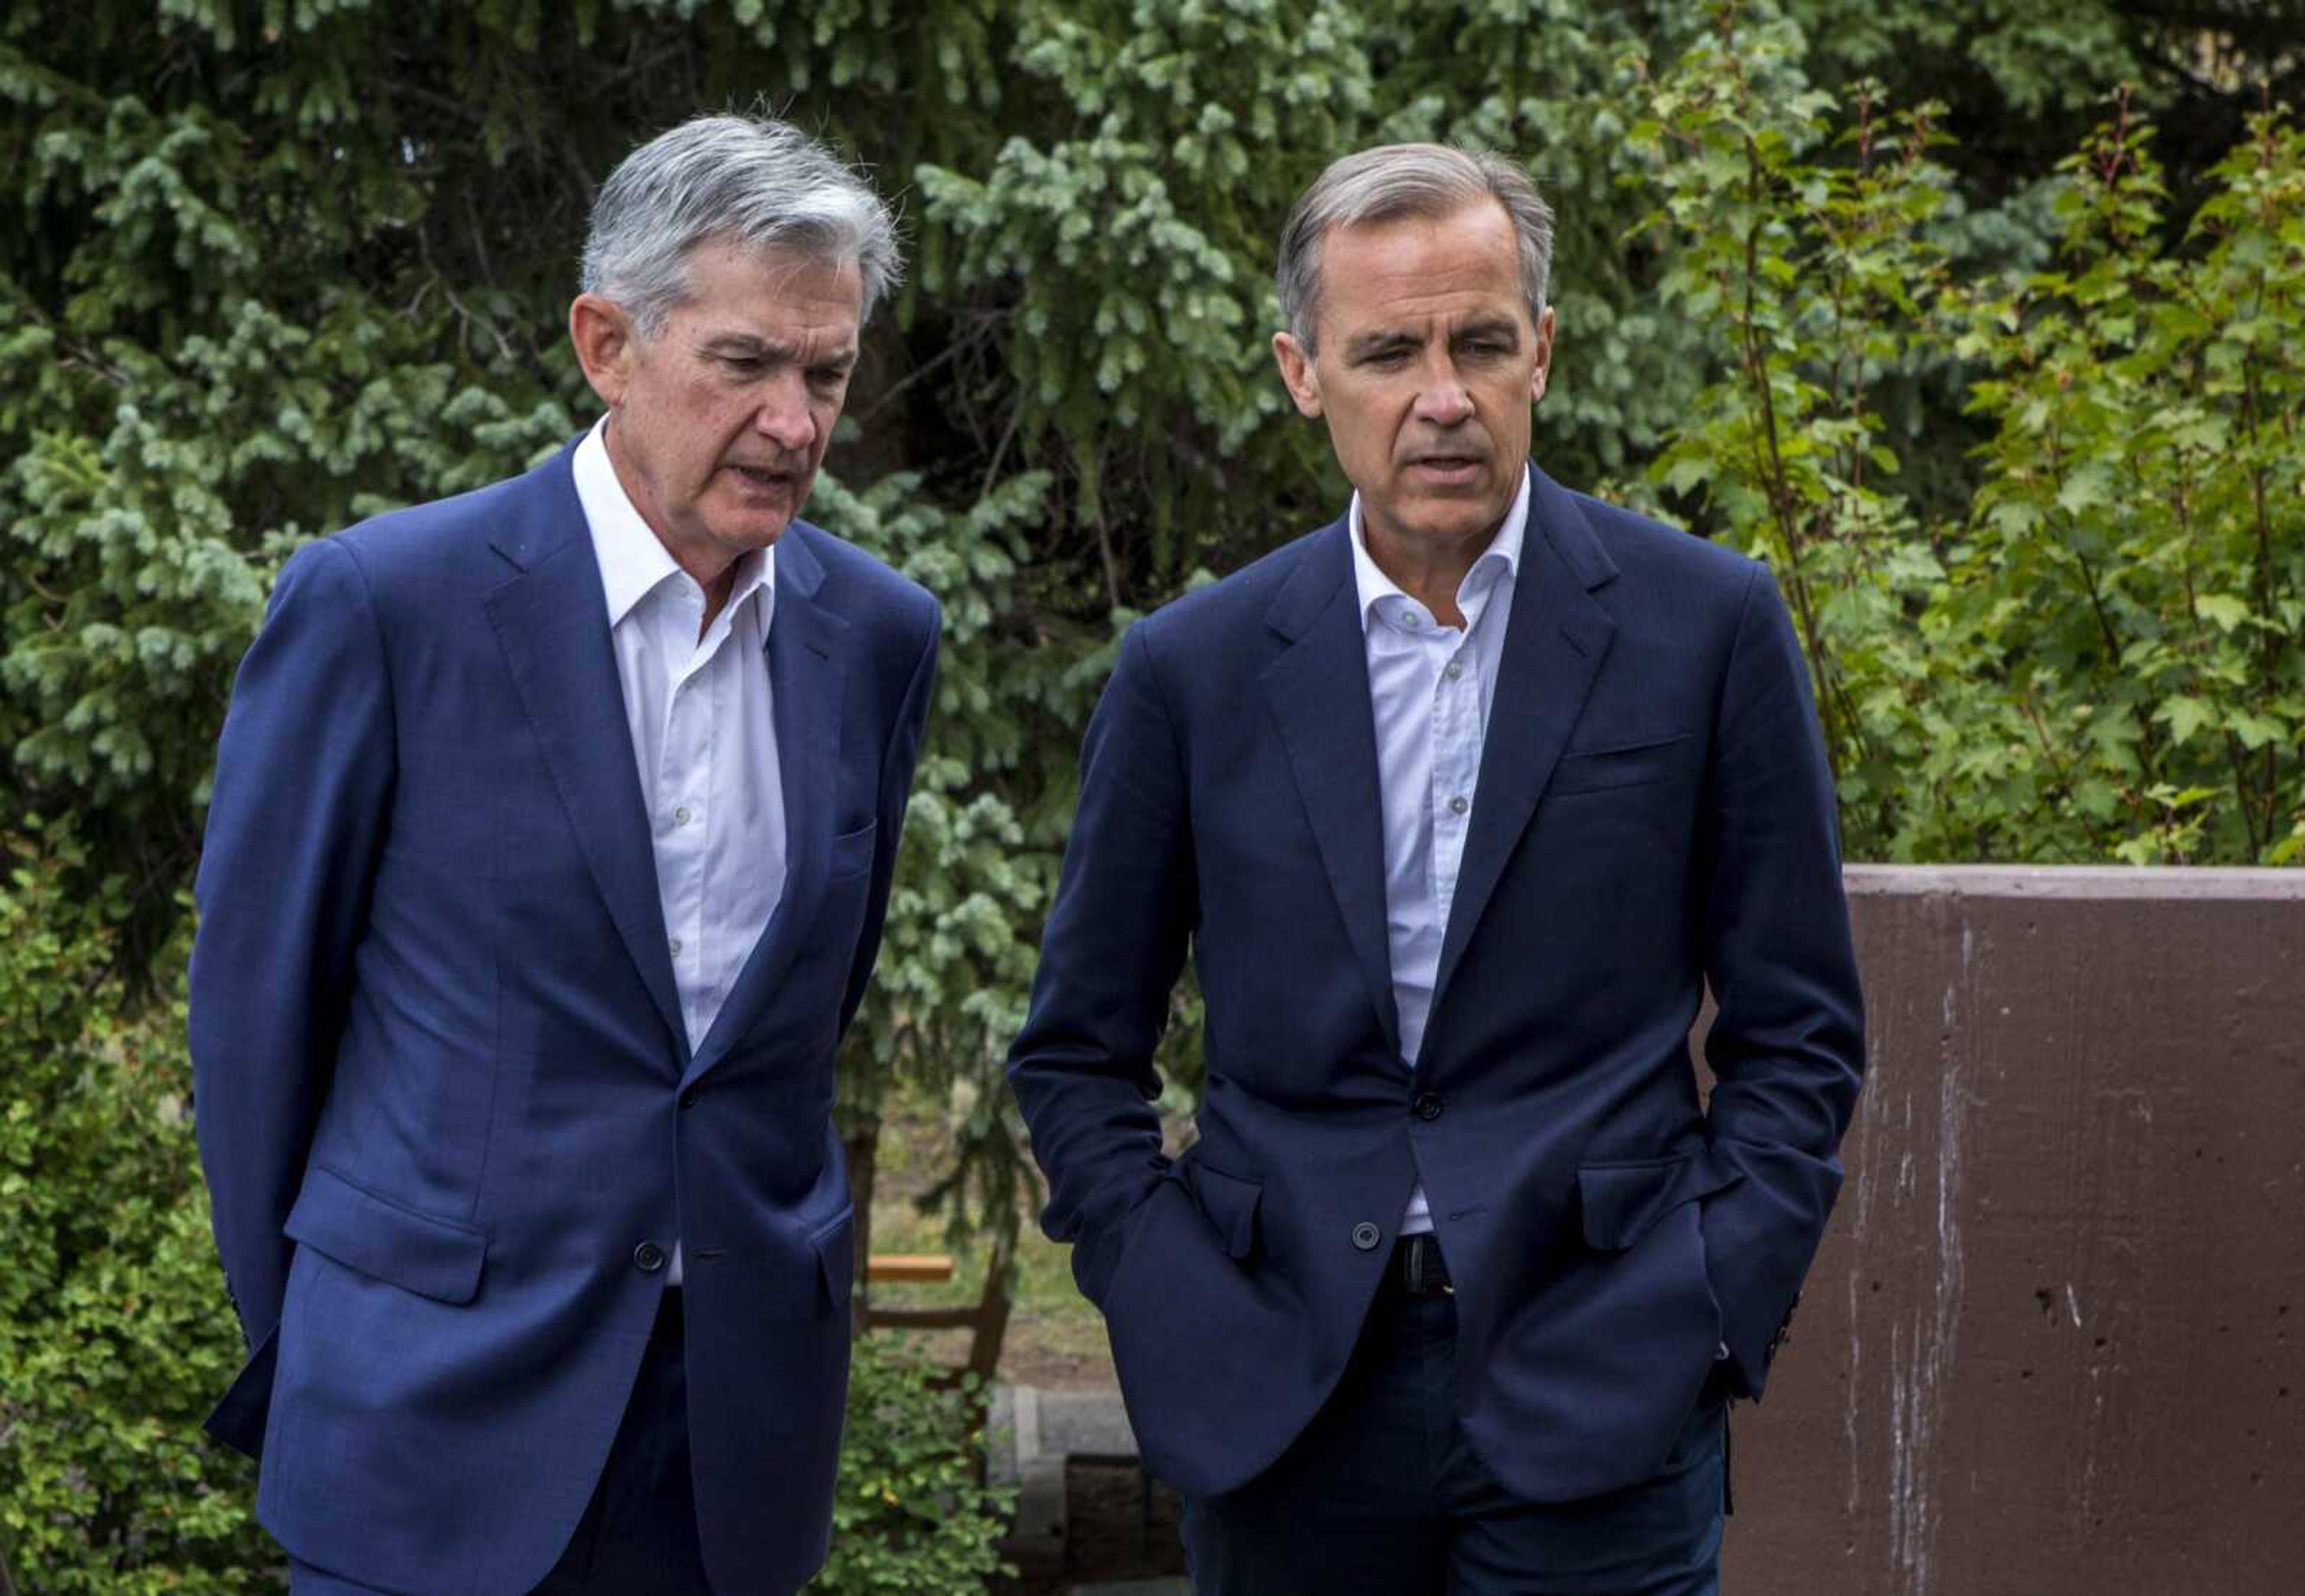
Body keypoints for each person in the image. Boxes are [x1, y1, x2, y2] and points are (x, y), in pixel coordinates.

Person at [1006, 143, 1865, 1595]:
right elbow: (1078, 1050)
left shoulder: (1704, 628)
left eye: (1478, 341)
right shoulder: (1192, 672)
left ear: (1543, 349)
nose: (1441, 396)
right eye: (1387, 351)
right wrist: (1167, 1298)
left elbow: (1802, 1031)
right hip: (1283, 1396)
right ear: (1302, 370)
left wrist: (1704, 1304)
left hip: (1602, 1377)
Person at [190, 113, 938, 1596]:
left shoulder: (879, 637)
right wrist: (340, 1335)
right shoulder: (385, 605)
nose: (795, 423)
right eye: (746, 364)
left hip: (732, 1453)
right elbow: (256, 1022)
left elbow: (794, 1018)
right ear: (607, 343)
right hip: (423, 1428)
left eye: (828, 372)